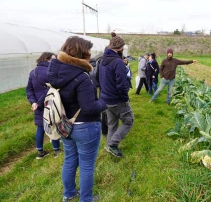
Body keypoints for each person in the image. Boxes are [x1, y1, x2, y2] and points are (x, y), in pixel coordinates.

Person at [47, 36, 107, 202]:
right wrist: (103, 103)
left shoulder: (57, 73)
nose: (90, 54)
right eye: (87, 51)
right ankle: (86, 199)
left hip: (65, 124)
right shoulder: (82, 77)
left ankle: (69, 194)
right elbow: (89, 108)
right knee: (87, 165)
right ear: (80, 53)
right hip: (85, 127)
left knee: (70, 160)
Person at [99, 32, 134, 158]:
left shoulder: (103, 60)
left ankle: (110, 145)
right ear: (121, 48)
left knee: (112, 124)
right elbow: (121, 84)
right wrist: (125, 99)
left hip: (105, 99)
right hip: (116, 100)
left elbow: (100, 79)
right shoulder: (118, 62)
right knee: (129, 121)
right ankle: (112, 145)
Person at [26, 52, 61, 159]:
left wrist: (34, 102)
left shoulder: (33, 72)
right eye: (54, 59)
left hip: (37, 105)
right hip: (50, 103)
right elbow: (51, 90)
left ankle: (40, 152)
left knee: (41, 127)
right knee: (53, 124)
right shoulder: (51, 72)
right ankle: (57, 150)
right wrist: (40, 102)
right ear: (47, 59)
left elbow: (29, 90)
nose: (55, 61)